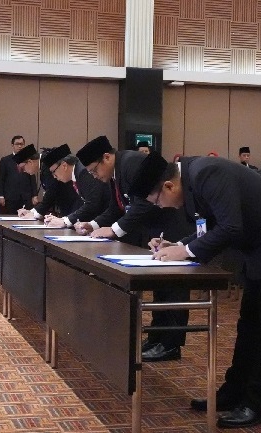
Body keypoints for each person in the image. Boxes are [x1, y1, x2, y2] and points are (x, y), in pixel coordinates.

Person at [130, 153, 261, 428]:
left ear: (169, 186)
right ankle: (233, 392)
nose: (161, 207)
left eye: (157, 201)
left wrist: (186, 251)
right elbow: (212, 226)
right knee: (249, 324)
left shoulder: (207, 173)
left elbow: (231, 227)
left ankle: (257, 404)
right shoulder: (194, 179)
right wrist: (179, 245)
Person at [75, 136, 192, 362]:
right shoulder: (115, 172)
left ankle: (171, 344)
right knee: (159, 288)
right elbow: (116, 207)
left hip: (173, 225)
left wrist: (115, 230)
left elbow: (144, 203)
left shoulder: (131, 163)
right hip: (156, 231)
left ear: (106, 157)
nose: (94, 176)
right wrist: (95, 225)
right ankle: (157, 338)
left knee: (173, 288)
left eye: (94, 170)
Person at [35, 144, 110, 228]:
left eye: (53, 172)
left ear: (64, 166)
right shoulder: (77, 173)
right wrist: (63, 219)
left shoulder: (83, 172)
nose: (54, 177)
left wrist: (65, 221)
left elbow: (92, 204)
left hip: (106, 223)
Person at [0, 135, 38, 214]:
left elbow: (32, 178)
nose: (19, 146)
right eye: (17, 144)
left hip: (26, 197)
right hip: (11, 197)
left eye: (21, 144)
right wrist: (1, 195)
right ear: (12, 145)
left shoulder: (29, 160)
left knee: (26, 218)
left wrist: (35, 195)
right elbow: (1, 179)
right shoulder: (5, 160)